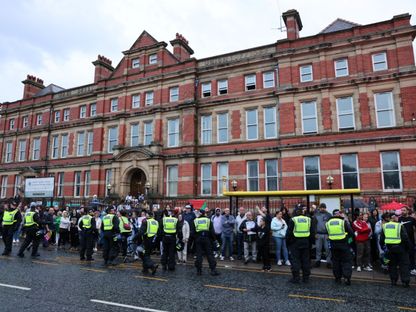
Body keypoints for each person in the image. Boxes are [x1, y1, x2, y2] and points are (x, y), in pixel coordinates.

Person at [286, 206, 316, 284]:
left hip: (295, 243)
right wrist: (311, 243)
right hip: (306, 242)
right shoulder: (308, 219)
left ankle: (296, 278)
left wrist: (288, 243)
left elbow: (289, 233)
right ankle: (306, 278)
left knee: (295, 261)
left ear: (296, 212)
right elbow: (312, 232)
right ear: (303, 212)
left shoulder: (293, 219)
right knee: (305, 261)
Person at [380, 213, 411, 287]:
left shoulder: (385, 226)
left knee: (392, 265)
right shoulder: (399, 225)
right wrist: (407, 248)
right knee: (404, 265)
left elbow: (381, 239)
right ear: (393, 218)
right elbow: (405, 238)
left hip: (390, 249)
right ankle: (405, 281)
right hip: (401, 248)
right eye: (396, 217)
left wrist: (383, 248)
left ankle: (393, 281)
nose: (397, 218)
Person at [326, 209, 354, 285]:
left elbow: (328, 234)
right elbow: (352, 234)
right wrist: (349, 242)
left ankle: (337, 279)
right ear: (338, 215)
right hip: (344, 245)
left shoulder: (328, 223)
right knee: (346, 262)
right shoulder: (343, 222)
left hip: (333, 245)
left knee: (336, 262)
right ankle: (347, 278)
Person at [193, 206, 220, 276]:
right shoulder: (208, 220)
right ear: (204, 213)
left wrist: (196, 239)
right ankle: (213, 270)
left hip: (198, 239)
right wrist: (214, 240)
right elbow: (212, 231)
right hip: (207, 239)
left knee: (199, 255)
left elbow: (193, 232)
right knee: (209, 255)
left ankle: (199, 271)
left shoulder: (195, 220)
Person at [398, 206, 416, 276]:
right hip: (402, 241)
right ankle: (404, 268)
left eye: (404, 210)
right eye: (402, 210)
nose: (402, 211)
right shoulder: (399, 219)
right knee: (403, 255)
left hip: (410, 240)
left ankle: (412, 268)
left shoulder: (412, 219)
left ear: (408, 211)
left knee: (411, 254)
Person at [313, 203, 332, 268]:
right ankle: (318, 261)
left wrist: (329, 234)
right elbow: (314, 225)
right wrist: (315, 233)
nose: (322, 209)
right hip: (318, 234)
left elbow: (331, 226)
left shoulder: (329, 215)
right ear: (319, 208)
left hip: (326, 234)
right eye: (321, 207)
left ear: (325, 208)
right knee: (318, 249)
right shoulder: (316, 215)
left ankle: (328, 262)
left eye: (323, 207)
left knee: (327, 249)